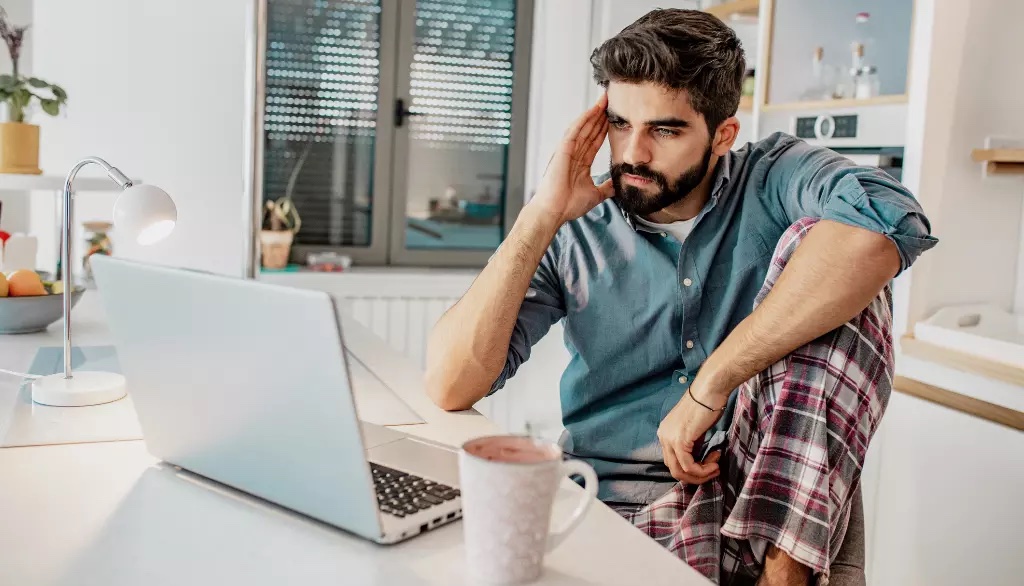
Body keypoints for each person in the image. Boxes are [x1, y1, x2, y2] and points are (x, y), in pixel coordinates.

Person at [425, 8, 936, 585]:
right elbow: (449, 384)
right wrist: (539, 218)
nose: (633, 154)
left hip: (760, 504)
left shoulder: (774, 177)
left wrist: (709, 385)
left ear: (723, 134)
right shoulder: (578, 224)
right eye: (619, 123)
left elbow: (889, 220)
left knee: (839, 254)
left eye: (664, 130)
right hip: (612, 505)